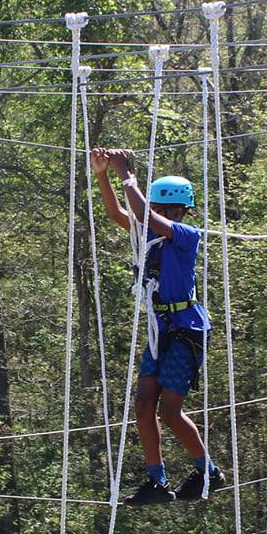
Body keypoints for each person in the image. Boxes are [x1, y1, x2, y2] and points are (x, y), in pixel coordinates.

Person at [91, 146, 227, 505]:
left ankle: (208, 472)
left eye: (171, 209)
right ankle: (157, 482)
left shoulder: (186, 234)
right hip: (161, 327)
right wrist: (103, 174)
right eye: (161, 208)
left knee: (169, 410)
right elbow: (117, 213)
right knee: (143, 403)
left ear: (183, 211)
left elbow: (141, 213)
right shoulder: (147, 233)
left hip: (186, 326)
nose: (164, 214)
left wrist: (125, 173)